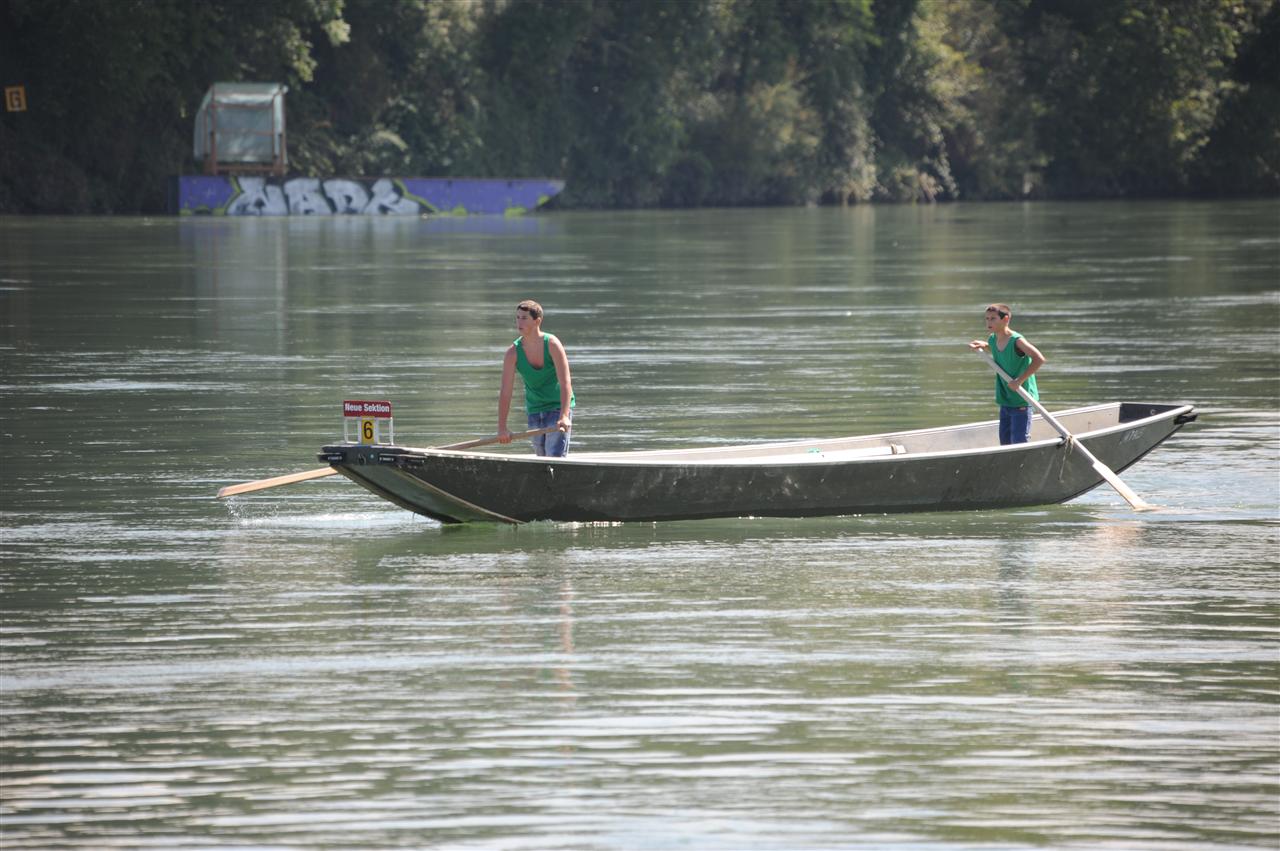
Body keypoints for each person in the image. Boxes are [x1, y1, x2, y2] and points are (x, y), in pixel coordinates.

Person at [498, 299, 575, 456]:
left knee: (554, 457)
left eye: (524, 318)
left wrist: (564, 416)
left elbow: (565, 382)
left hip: (557, 408)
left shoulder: (552, 344)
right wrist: (502, 428)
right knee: (541, 459)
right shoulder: (512, 353)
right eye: (517, 317)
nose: (519, 322)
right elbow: (506, 392)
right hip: (534, 409)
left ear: (537, 321)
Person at [968, 303, 1046, 445]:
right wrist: (985, 345)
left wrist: (1019, 380)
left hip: (1021, 400)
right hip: (1006, 399)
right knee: (1005, 443)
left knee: (1019, 441)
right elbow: (1000, 350)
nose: (989, 322)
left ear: (1006, 319)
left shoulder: (1017, 340)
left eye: (993, 319)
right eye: (987, 319)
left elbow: (1039, 359)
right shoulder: (993, 339)